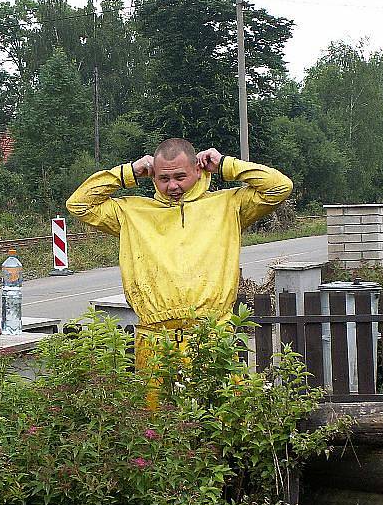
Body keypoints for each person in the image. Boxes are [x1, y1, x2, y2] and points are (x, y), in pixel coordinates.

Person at [66, 138, 293, 370]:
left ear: (197, 169)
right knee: (155, 407)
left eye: (180, 177)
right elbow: (79, 204)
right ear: (152, 175)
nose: (172, 186)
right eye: (164, 178)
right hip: (154, 339)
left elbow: (279, 187)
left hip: (211, 334)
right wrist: (129, 172)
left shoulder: (228, 205)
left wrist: (226, 164)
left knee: (216, 405)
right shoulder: (131, 212)